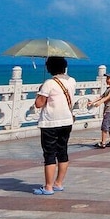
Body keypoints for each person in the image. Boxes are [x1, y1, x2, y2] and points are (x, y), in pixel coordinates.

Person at [33, 56, 76, 195]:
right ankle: (58, 183)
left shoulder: (49, 83)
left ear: (50, 68)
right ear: (64, 67)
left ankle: (48, 187)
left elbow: (39, 103)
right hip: (67, 121)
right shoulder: (71, 81)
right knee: (62, 152)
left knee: (50, 154)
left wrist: (39, 91)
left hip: (50, 122)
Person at [88, 72, 110, 148]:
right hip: (109, 109)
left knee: (104, 126)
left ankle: (103, 143)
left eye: (108, 78)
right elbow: (102, 96)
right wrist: (93, 102)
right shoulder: (109, 88)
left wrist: (100, 102)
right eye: (106, 78)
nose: (106, 80)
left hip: (109, 109)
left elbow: (108, 97)